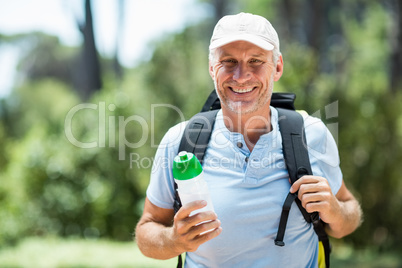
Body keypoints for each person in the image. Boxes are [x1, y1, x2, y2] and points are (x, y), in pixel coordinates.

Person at [135, 12, 362, 267]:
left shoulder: (312, 134)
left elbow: (349, 214)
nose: (241, 76)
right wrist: (174, 240)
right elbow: (147, 229)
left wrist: (336, 211)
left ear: (277, 67)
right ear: (212, 68)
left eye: (255, 61)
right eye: (229, 61)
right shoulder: (179, 141)